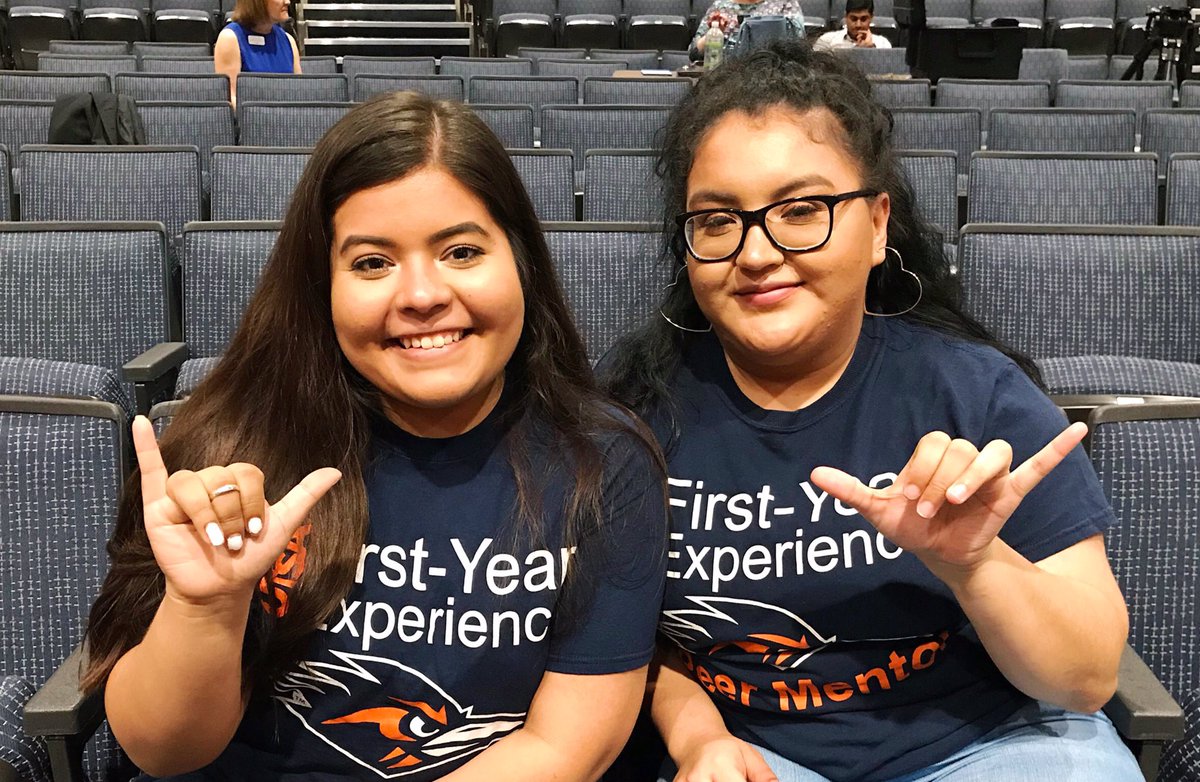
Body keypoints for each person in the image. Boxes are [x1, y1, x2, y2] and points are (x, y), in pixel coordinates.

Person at [81, 91, 668, 781]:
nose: (420, 294)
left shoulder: (605, 463)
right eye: (371, 263)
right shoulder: (227, 447)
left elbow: (565, 747)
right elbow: (162, 751)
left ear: (521, 264)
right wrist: (206, 607)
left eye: (460, 250)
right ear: (320, 285)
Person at [601, 41, 1142, 782]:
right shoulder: (634, 410)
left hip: (986, 746)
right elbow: (619, 647)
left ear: (878, 222)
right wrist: (697, 739)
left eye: (801, 210)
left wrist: (975, 565)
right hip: (754, 756)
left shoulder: (974, 393)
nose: (755, 253)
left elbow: (1086, 677)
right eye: (718, 220)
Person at [214, 0, 301, 108]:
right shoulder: (230, 38)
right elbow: (231, 100)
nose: (287, 2)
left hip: (289, 121)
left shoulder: (289, 41)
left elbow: (299, 96)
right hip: (251, 123)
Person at [691, 0, 807, 60]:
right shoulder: (720, 6)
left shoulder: (785, 4)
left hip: (772, 73)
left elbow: (800, 44)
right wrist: (714, 33)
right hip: (727, 74)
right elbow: (694, 53)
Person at [814, 0, 892, 50]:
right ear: (846, 16)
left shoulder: (883, 44)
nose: (858, 25)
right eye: (853, 19)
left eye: (863, 19)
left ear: (871, 18)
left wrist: (870, 50)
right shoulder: (825, 41)